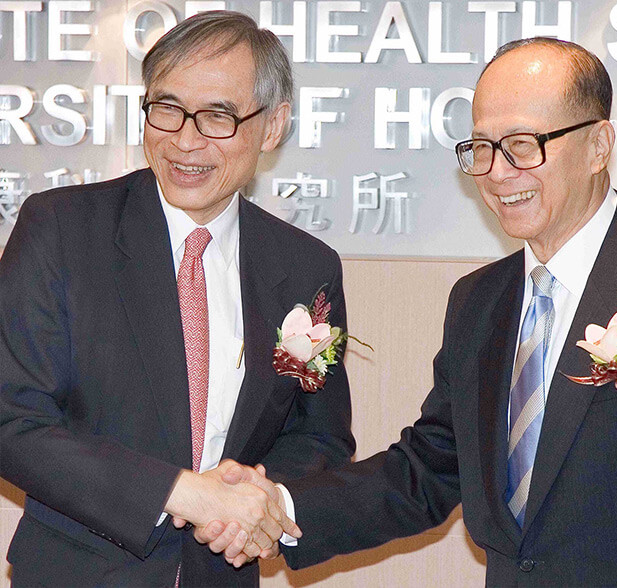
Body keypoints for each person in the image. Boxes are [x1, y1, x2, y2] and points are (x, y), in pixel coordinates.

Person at [202, 38, 617, 585]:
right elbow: (428, 468)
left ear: (599, 145)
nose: (497, 172)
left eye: (523, 144)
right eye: (481, 147)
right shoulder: (479, 301)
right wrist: (278, 503)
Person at [0, 10, 354, 587]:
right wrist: (182, 494)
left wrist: (258, 505)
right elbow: (10, 417)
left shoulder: (303, 269)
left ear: (272, 128)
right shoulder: (62, 230)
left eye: (217, 116)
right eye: (166, 108)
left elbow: (320, 435)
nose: (184, 141)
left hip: (222, 571)